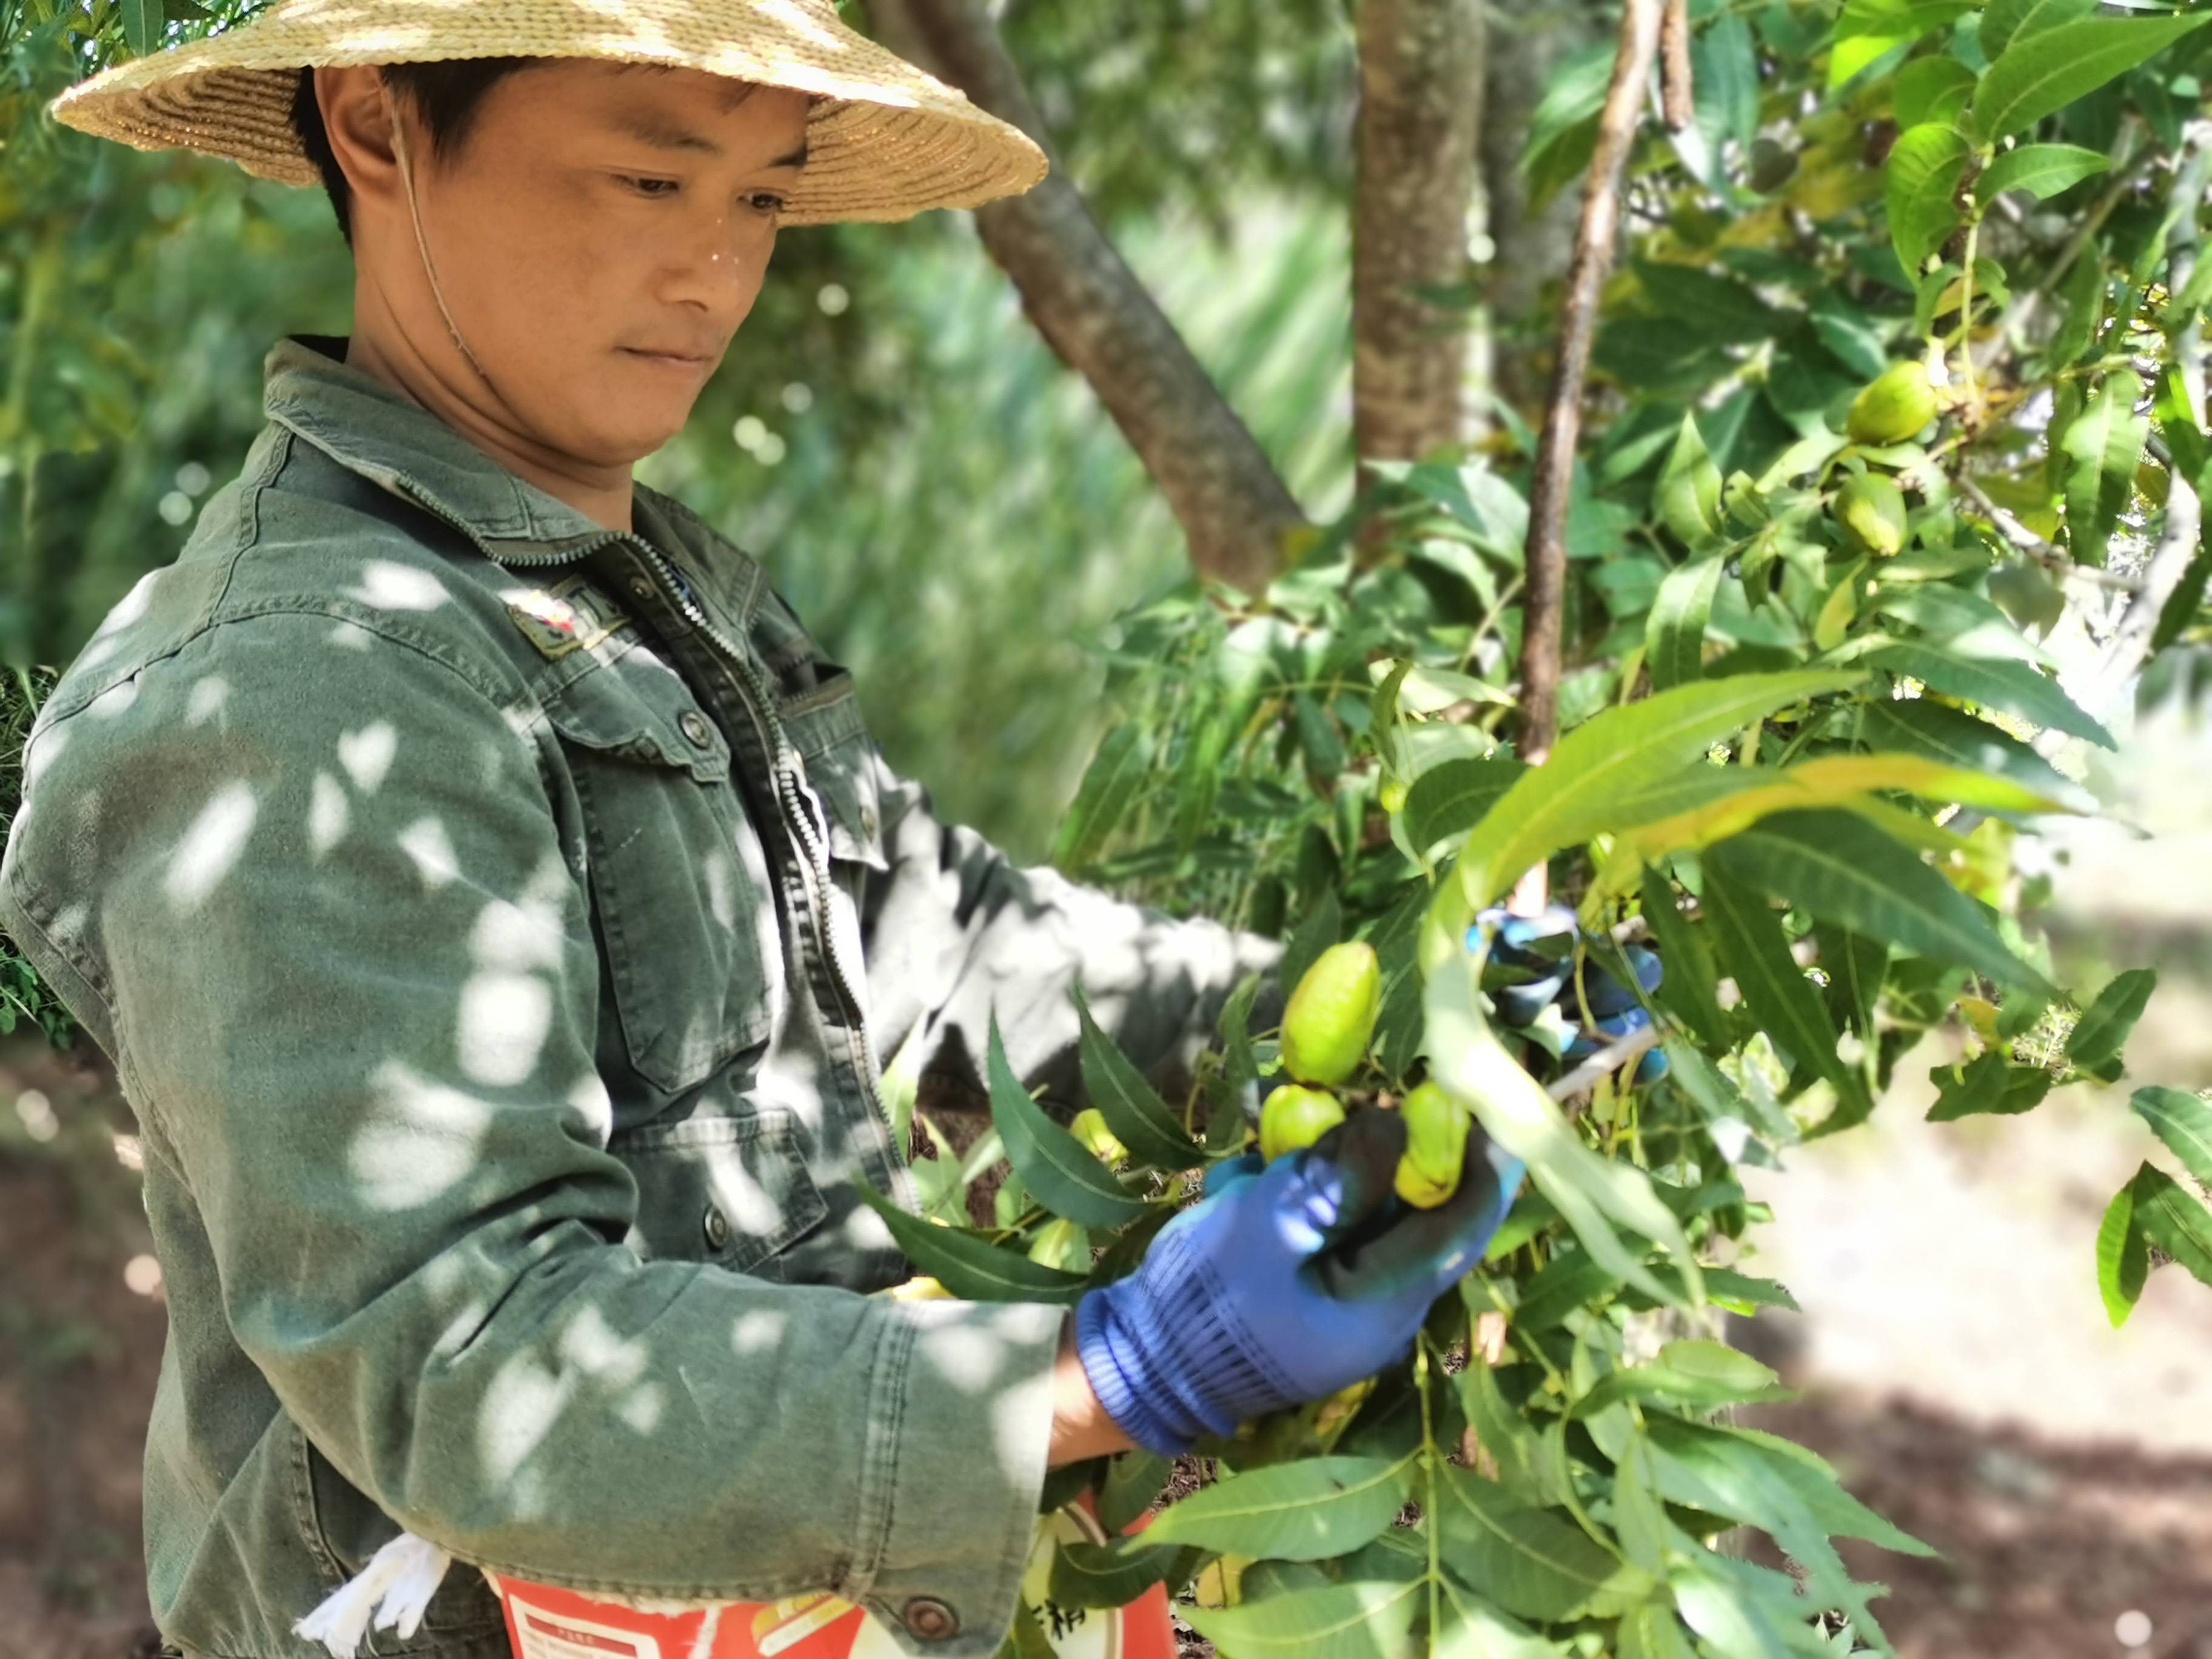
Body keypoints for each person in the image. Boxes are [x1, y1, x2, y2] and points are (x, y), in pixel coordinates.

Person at [2, 7, 1521, 1657]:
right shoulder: (302, 695)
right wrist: (1104, 1377)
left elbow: (943, 943)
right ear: (375, 127)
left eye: (760, 200)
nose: (716, 273)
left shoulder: (636, 592)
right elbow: (476, 1369)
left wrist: (1395, 1005)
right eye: (653, 179)